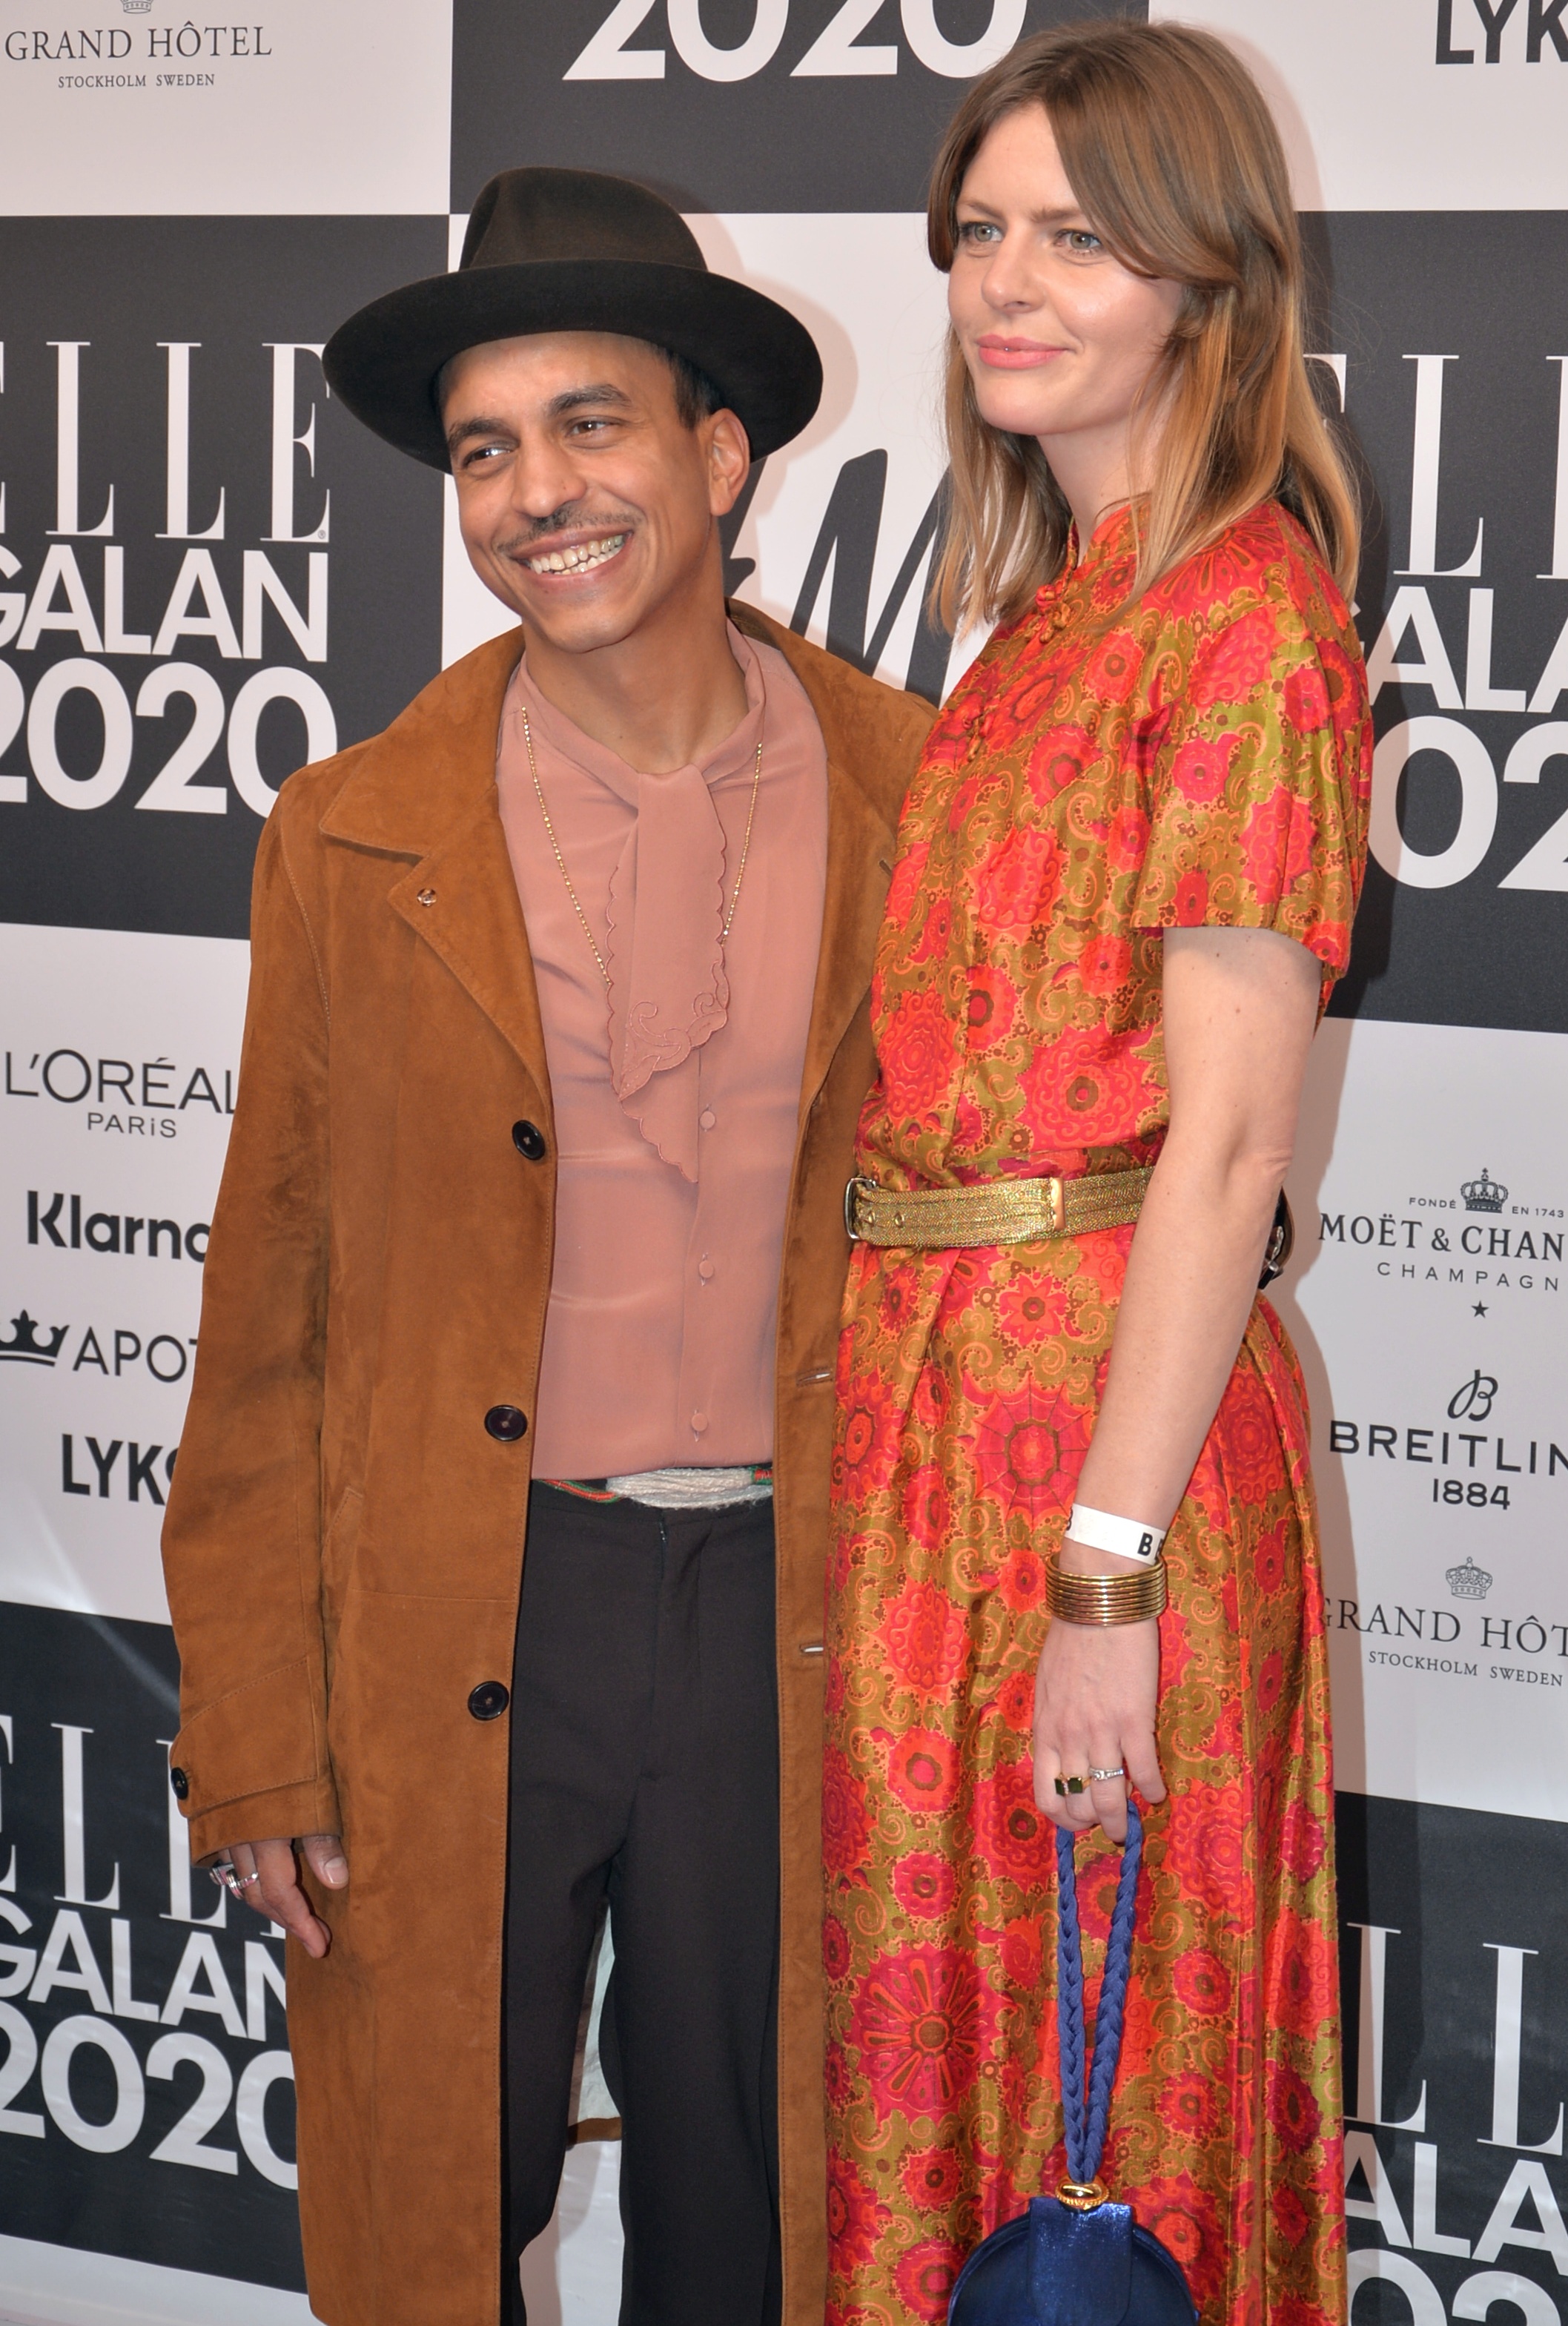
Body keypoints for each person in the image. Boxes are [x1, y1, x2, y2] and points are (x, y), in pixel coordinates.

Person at [159, 167, 932, 2326]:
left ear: (719, 451)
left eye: (590, 423)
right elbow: (270, 1307)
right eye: (484, 449)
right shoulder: (349, 829)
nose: (533, 495)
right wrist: (255, 1724)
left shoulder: (927, 793)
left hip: (807, 1620)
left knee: (761, 2226)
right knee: (432, 2216)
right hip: (461, 1608)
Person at [823, 26, 1370, 2326]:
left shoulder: (1246, 612)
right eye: (980, 231)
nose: (1003, 282)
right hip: (933, 1444)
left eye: (1075, 236)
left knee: (1102, 2102)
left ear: (1202, 277)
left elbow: (1224, 1145)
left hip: (1094, 1469)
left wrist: (1105, 1571)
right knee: (956, 2083)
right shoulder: (1049, 612)